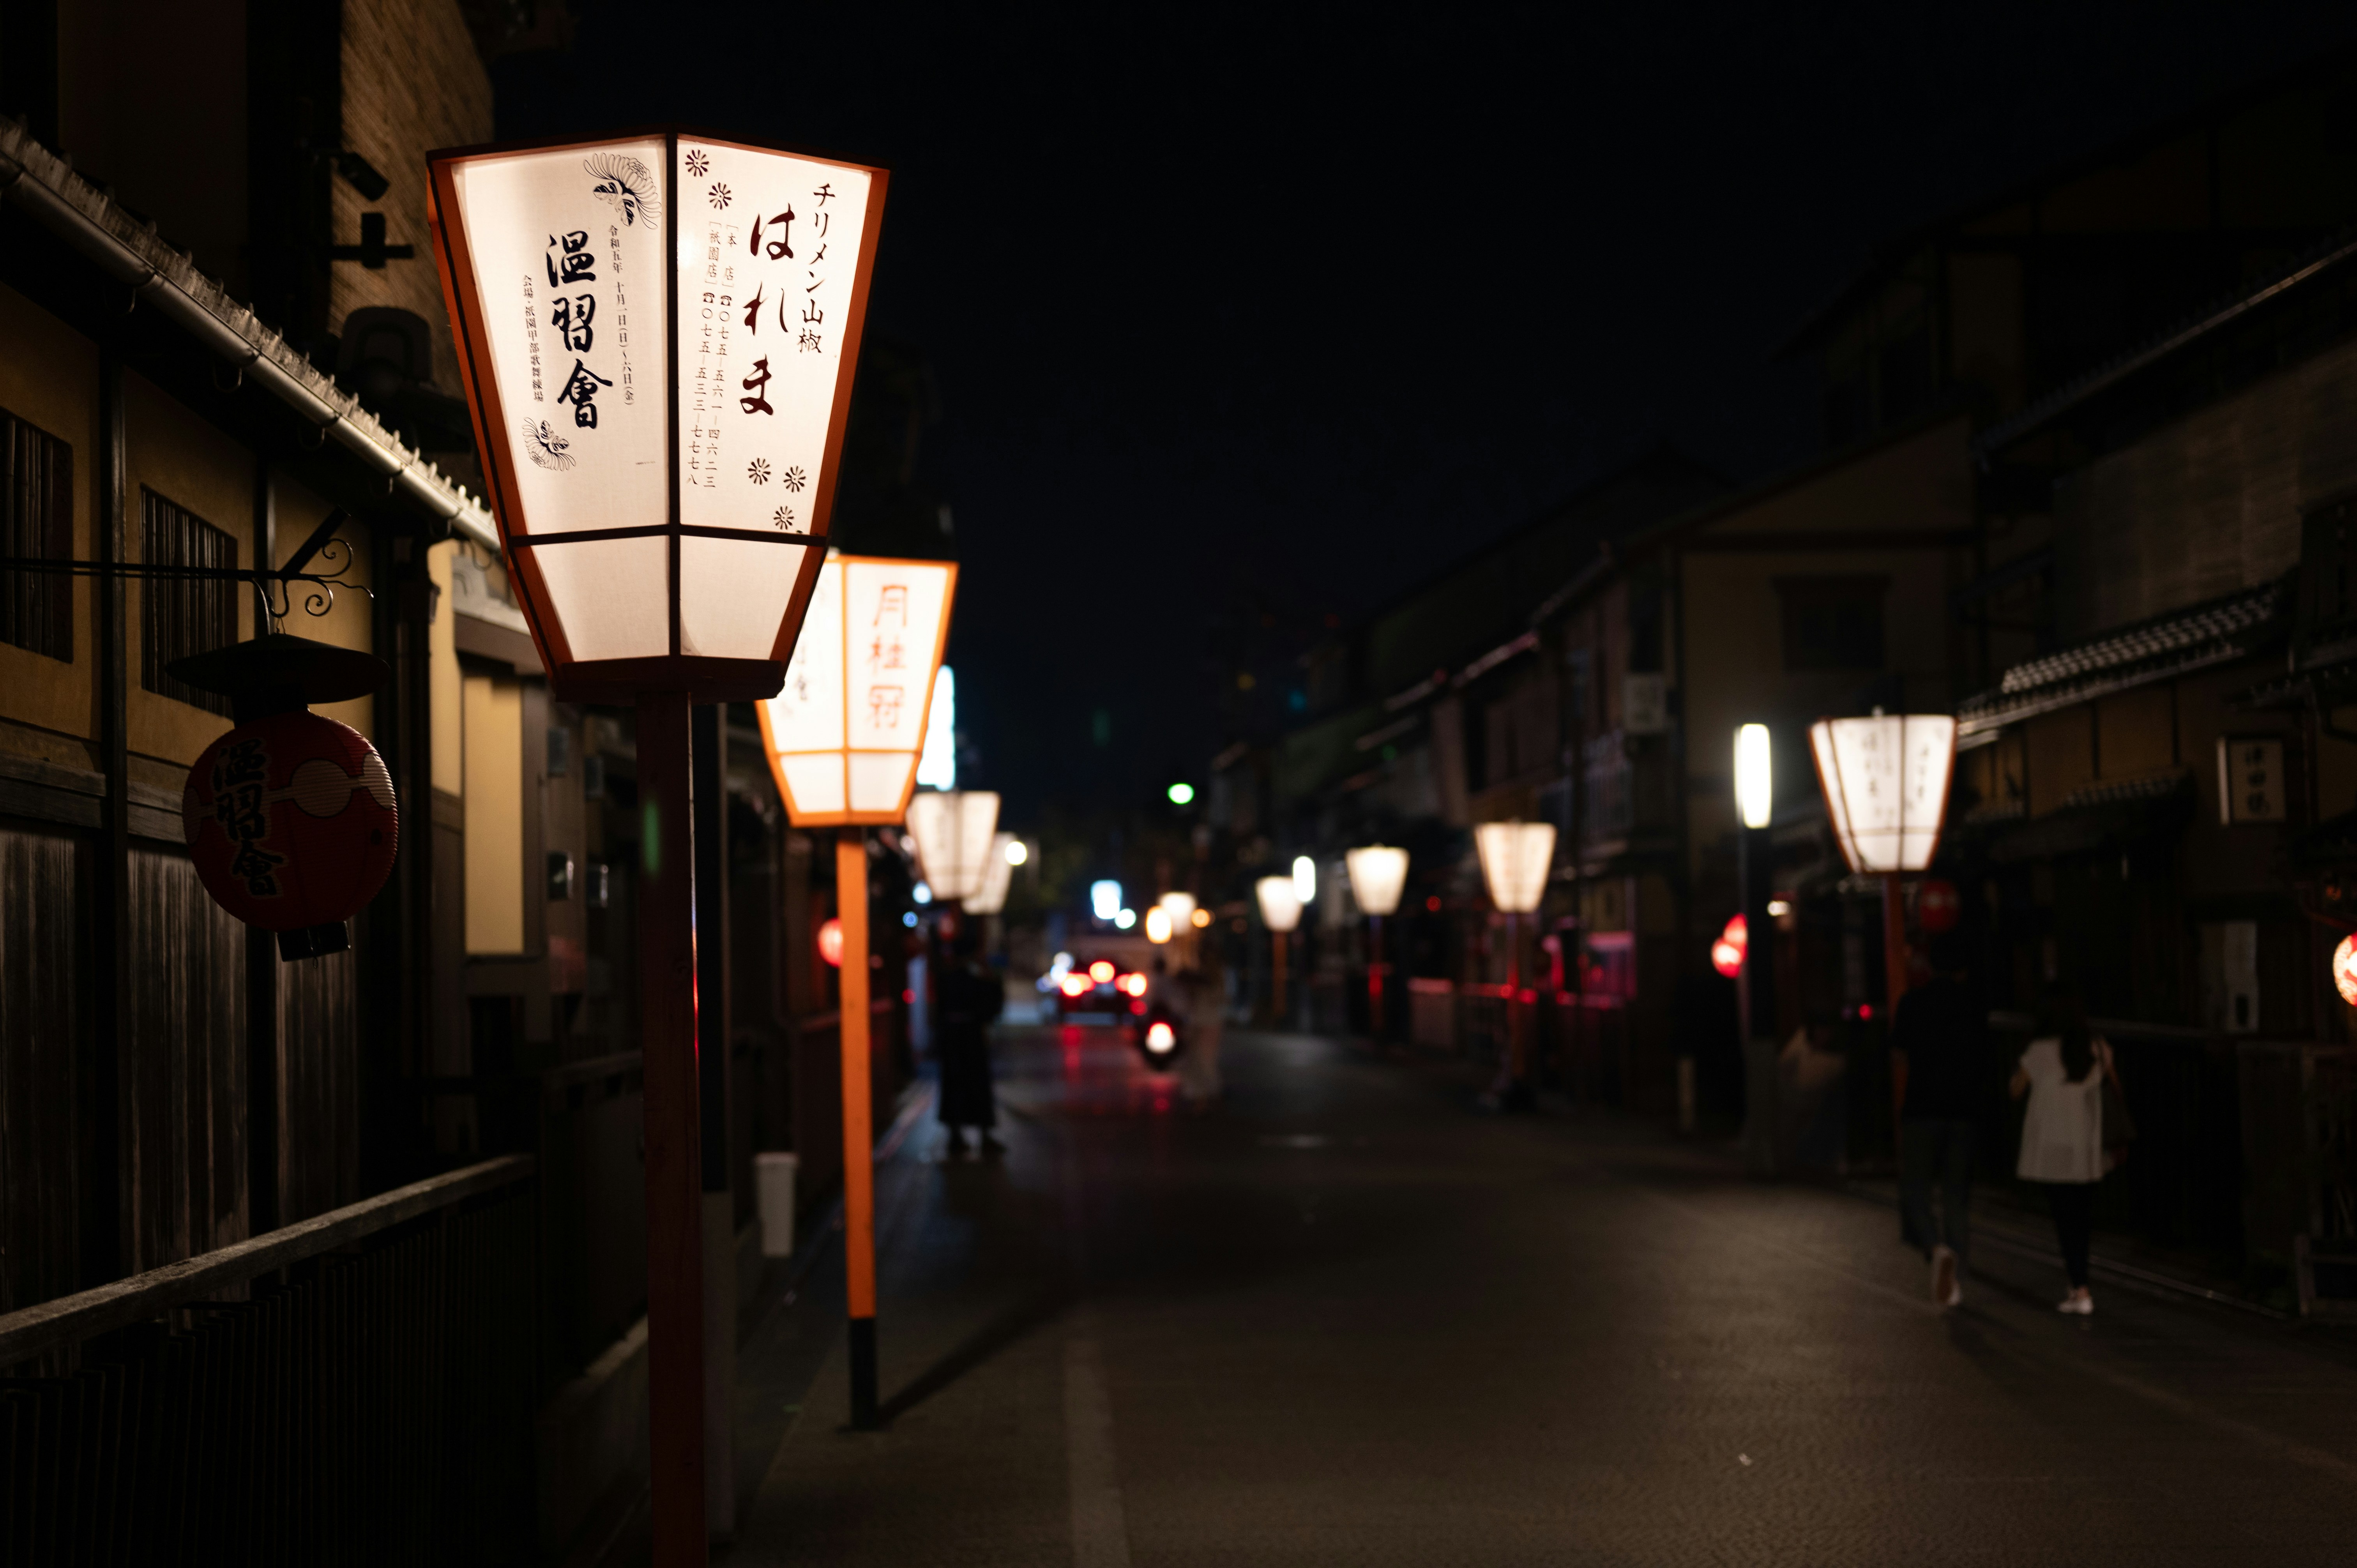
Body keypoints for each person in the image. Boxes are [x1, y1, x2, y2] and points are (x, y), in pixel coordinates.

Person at [1891, 930, 1986, 1308]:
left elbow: (1898, 1053)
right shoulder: (1973, 1005)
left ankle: (1935, 1247)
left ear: (1931, 965)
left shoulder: (1914, 1002)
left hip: (1922, 1106)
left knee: (1915, 1189)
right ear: (1963, 968)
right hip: (1964, 1109)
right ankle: (1957, 1281)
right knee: (1956, 1196)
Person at [2010, 1001, 2117, 1314]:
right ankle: (2081, 1286)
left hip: (2051, 1147)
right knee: (2082, 1219)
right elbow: (2113, 1085)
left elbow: (2016, 1090)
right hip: (2085, 1146)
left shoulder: (2040, 1050)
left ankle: (2079, 1289)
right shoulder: (2096, 1047)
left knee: (2064, 1219)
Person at [934, 925, 1006, 1157]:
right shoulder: (975, 978)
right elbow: (994, 1005)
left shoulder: (947, 977)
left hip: (955, 1036)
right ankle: (979, 1136)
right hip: (971, 1036)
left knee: (957, 1084)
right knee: (976, 1084)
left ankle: (958, 1137)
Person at [1177, 944, 1226, 1107]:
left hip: (1209, 1022)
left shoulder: (1215, 977)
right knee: (1194, 1060)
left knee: (1205, 1060)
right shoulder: (1199, 976)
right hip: (1198, 1021)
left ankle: (1210, 1095)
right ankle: (1199, 1097)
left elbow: (1216, 995)